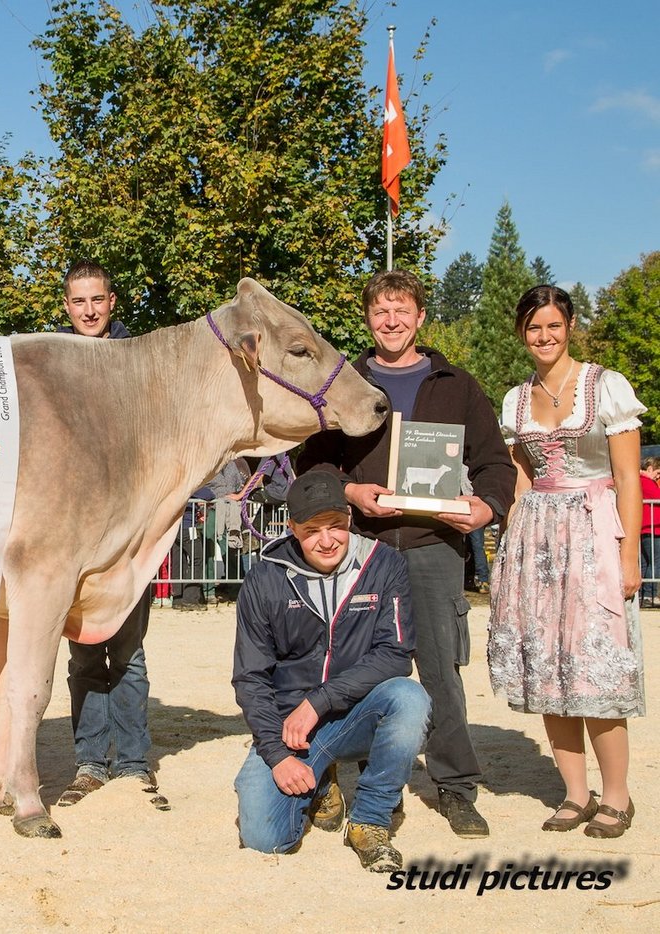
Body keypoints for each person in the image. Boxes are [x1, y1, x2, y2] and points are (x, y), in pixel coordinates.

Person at [298, 269, 515, 838]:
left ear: (420, 317)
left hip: (435, 547)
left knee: (441, 672)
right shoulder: (345, 382)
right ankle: (376, 787)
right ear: (368, 318)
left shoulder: (457, 385)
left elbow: (494, 462)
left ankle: (456, 787)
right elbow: (310, 463)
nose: (391, 322)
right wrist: (346, 492)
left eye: (402, 311)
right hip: (362, 550)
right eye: (380, 312)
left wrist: (485, 507)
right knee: (360, 673)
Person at [486, 285, 645, 839]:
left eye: (553, 325)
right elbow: (522, 475)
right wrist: (510, 543)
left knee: (595, 665)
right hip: (536, 535)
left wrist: (629, 554)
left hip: (594, 528)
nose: (544, 336)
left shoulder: (607, 386)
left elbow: (628, 476)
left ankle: (617, 796)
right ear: (521, 334)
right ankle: (576, 794)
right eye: (533, 328)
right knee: (550, 666)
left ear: (570, 325)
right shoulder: (514, 398)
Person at [232, 471, 428, 871]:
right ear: (291, 529)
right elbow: (250, 677)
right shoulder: (264, 578)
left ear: (350, 520)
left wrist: (318, 701)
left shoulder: (385, 563)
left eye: (336, 526)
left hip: (355, 713)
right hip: (293, 729)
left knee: (410, 699)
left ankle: (370, 818)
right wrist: (276, 754)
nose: (327, 540)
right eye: (312, 530)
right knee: (263, 840)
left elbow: (396, 654)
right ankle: (320, 780)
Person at [52, 261, 167, 811]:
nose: (89, 311)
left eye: (98, 300)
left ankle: (135, 765)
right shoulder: (53, 364)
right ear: (66, 307)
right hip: (74, 538)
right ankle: (90, 764)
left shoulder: (141, 363)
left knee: (128, 653)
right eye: (79, 302)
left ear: (113, 302)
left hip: (130, 535)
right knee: (82, 656)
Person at [640, 456, 660, 608]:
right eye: (657, 473)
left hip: (647, 529)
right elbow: (657, 496)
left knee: (647, 563)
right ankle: (648, 595)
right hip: (652, 529)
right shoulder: (646, 481)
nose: (658, 477)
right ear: (650, 469)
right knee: (655, 562)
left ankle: (644, 594)